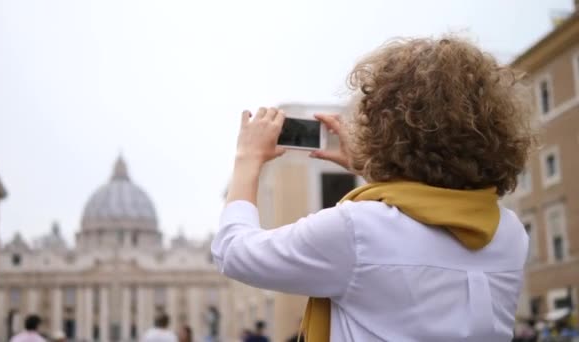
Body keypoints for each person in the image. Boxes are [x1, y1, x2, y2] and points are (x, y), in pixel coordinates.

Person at [212, 36, 533, 341]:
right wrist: (374, 170)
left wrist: (247, 158)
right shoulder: (510, 234)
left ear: (385, 128)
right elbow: (419, 218)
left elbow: (233, 251)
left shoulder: (355, 230)